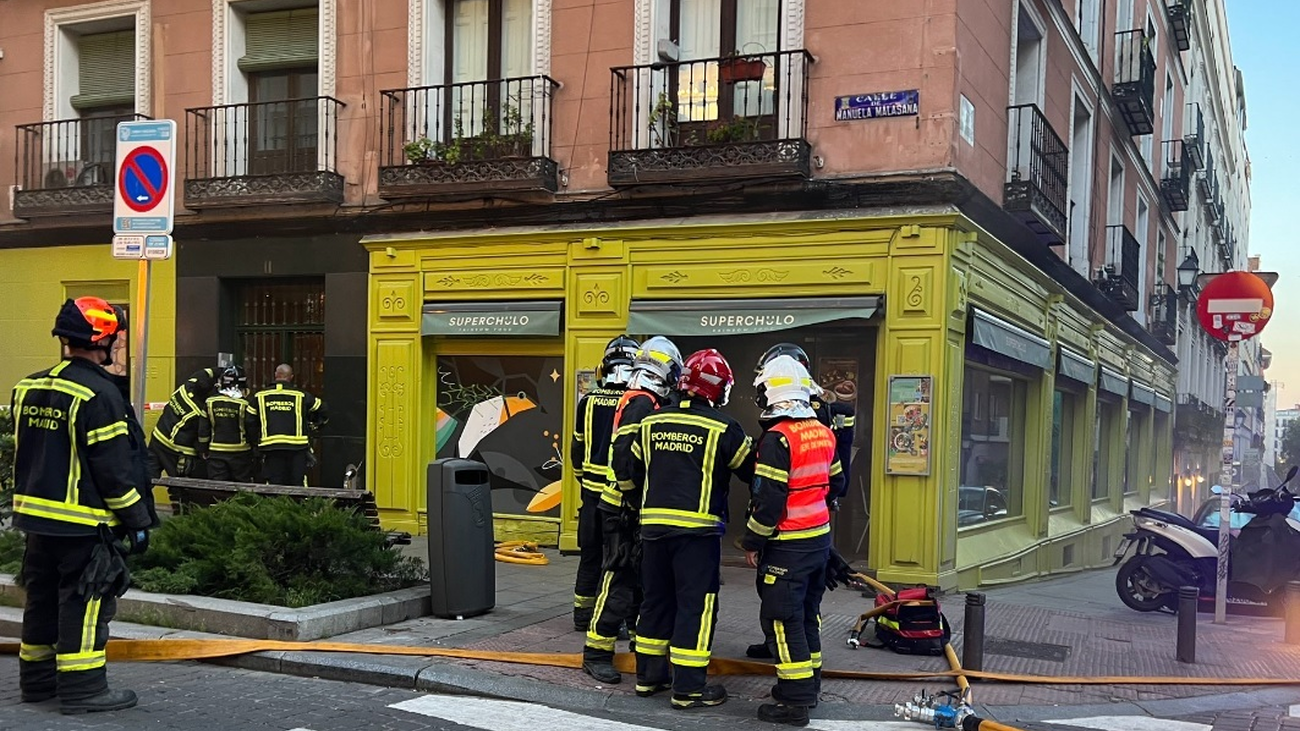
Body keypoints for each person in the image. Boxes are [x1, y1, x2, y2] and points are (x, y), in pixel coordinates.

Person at [12, 297, 154, 714]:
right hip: (84, 524)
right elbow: (114, 469)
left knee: (41, 600)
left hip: (36, 522)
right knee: (86, 601)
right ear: (102, 340)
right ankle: (84, 688)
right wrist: (137, 520)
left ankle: (37, 683)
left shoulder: (29, 386)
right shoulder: (100, 394)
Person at [630, 348, 753, 710]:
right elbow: (751, 471)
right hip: (697, 535)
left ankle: (648, 678)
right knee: (695, 607)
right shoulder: (723, 427)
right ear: (718, 389)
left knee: (655, 600)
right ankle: (688, 689)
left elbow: (633, 471)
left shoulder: (651, 422)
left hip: (652, 529)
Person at [742, 355, 845, 726]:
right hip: (819, 540)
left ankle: (794, 700)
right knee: (806, 615)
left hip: (788, 543)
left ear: (770, 392)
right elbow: (838, 484)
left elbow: (768, 501)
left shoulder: (777, 439)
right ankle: (810, 683)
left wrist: (752, 541)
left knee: (783, 620)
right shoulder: (822, 431)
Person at [582, 335, 682, 685]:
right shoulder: (640, 403)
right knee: (619, 578)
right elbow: (625, 457)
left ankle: (645, 653)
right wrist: (631, 497)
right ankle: (596, 652)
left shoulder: (643, 399)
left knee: (641, 580)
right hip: (623, 508)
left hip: (631, 506)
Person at [571, 336, 639, 632]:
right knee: (618, 562)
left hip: (590, 497)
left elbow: (576, 451)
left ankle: (582, 616)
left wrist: (585, 482)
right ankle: (618, 619)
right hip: (618, 499)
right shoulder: (635, 404)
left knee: (590, 556)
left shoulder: (587, 401)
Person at [252, 364, 327, 486]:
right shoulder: (301, 395)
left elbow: (249, 420)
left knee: (274, 483)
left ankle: (276, 505)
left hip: (272, 447)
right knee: (297, 483)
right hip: (297, 448)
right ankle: (296, 505)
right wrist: (314, 427)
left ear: (276, 375)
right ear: (291, 377)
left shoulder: (260, 396)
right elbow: (322, 409)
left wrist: (255, 442)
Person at [146, 367, 218, 482]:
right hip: (175, 450)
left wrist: (225, 372)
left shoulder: (187, 386)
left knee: (147, 477)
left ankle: (140, 498)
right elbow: (201, 437)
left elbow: (206, 372)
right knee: (181, 486)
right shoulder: (196, 413)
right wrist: (204, 453)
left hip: (157, 438)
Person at [198, 366, 259, 482]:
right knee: (241, 489)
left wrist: (203, 449)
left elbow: (203, 430)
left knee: (218, 488)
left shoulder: (210, 402)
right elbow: (251, 427)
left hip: (216, 453)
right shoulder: (246, 404)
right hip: (241, 453)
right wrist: (255, 446)